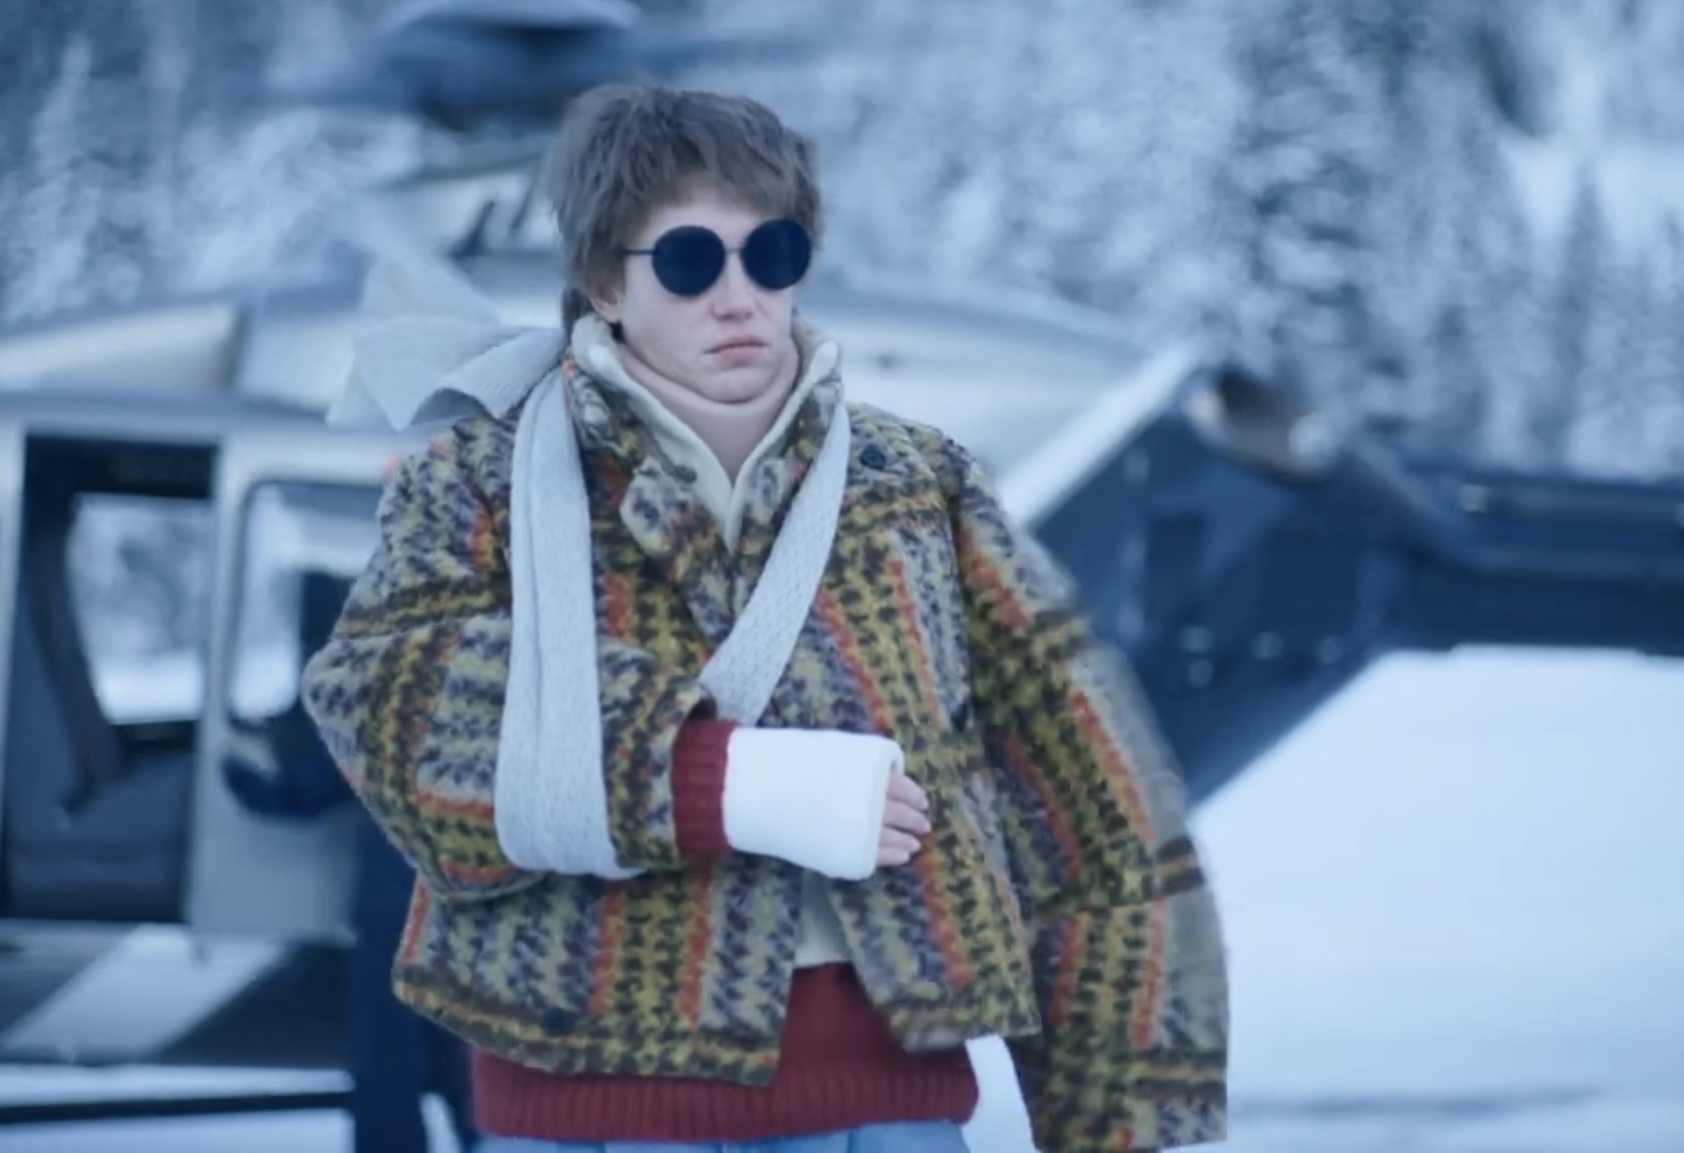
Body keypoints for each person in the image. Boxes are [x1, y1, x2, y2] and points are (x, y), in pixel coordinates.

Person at [302, 82, 1229, 1153]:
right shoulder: (476, 481)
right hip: (588, 1113)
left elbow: (1084, 804)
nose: (738, 297)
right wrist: (723, 782)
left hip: (884, 1111)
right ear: (604, 283)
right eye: (690, 262)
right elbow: (385, 697)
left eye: (771, 254)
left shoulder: (918, 486)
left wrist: (1121, 1117)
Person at [224, 569, 479, 1153]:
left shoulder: (377, 694)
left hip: (393, 911)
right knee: (465, 1062)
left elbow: (310, 789)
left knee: (387, 1063)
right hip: (472, 909)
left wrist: (235, 778)